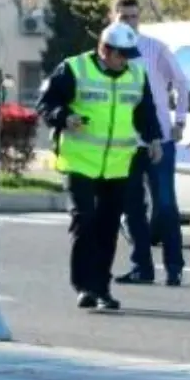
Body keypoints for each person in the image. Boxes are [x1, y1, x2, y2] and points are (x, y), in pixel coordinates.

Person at [36, 22, 163, 311]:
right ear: (104, 50)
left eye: (129, 55)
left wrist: (153, 138)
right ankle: (83, 286)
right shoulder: (74, 68)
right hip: (79, 160)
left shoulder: (136, 75)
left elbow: (146, 111)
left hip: (118, 164)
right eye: (121, 55)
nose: (125, 61)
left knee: (107, 227)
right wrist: (64, 117)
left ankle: (102, 288)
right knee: (85, 220)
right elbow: (45, 103)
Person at [112, 0, 190, 287]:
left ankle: (174, 266)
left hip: (160, 138)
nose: (130, 23)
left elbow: (182, 83)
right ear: (114, 18)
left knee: (166, 204)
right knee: (132, 206)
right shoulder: (110, 53)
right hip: (127, 142)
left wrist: (180, 120)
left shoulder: (155, 49)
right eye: (124, 17)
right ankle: (141, 266)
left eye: (134, 17)